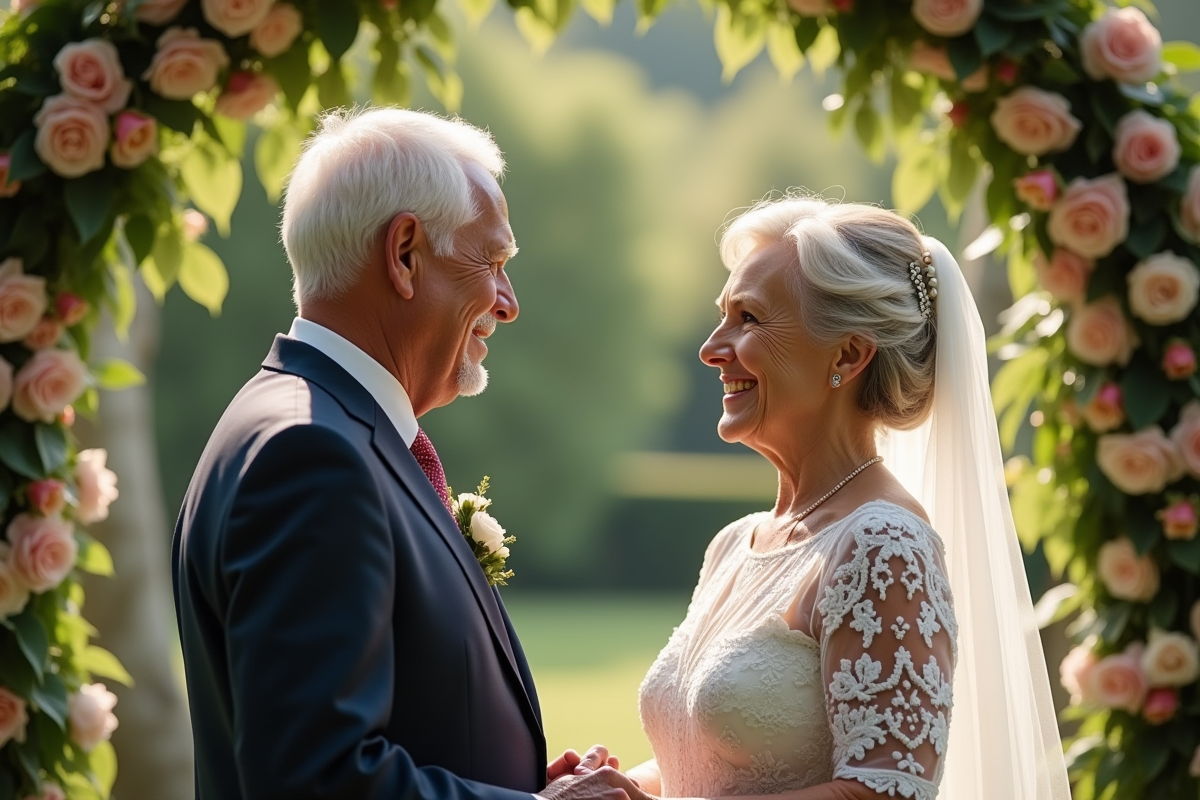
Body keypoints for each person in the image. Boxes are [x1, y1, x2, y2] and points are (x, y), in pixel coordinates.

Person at [171, 107, 646, 800]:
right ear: (404, 254)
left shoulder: (309, 426)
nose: (508, 303)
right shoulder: (311, 457)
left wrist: (519, 786)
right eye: (493, 260)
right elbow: (316, 780)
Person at [630, 198, 1071, 800]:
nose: (712, 347)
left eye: (749, 319)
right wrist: (617, 788)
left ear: (847, 354)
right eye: (723, 315)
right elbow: (704, 768)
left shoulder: (884, 545)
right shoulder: (735, 544)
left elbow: (885, 793)